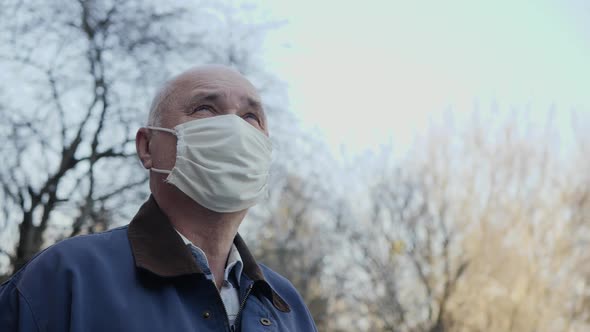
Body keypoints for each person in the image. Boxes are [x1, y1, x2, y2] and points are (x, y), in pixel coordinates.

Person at [0, 65, 318, 331]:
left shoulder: (287, 306)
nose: (234, 128)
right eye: (205, 108)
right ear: (148, 147)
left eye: (251, 117)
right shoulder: (67, 278)